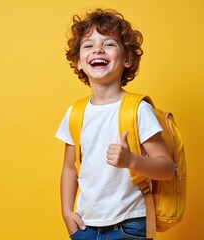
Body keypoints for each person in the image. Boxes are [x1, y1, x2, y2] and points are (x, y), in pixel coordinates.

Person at [55, 9, 175, 240]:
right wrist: (66, 212)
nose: (98, 49)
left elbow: (167, 168)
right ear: (79, 62)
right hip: (84, 226)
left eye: (109, 44)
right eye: (88, 46)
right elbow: (70, 168)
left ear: (127, 59)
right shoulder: (75, 113)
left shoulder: (138, 109)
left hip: (130, 224)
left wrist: (131, 160)